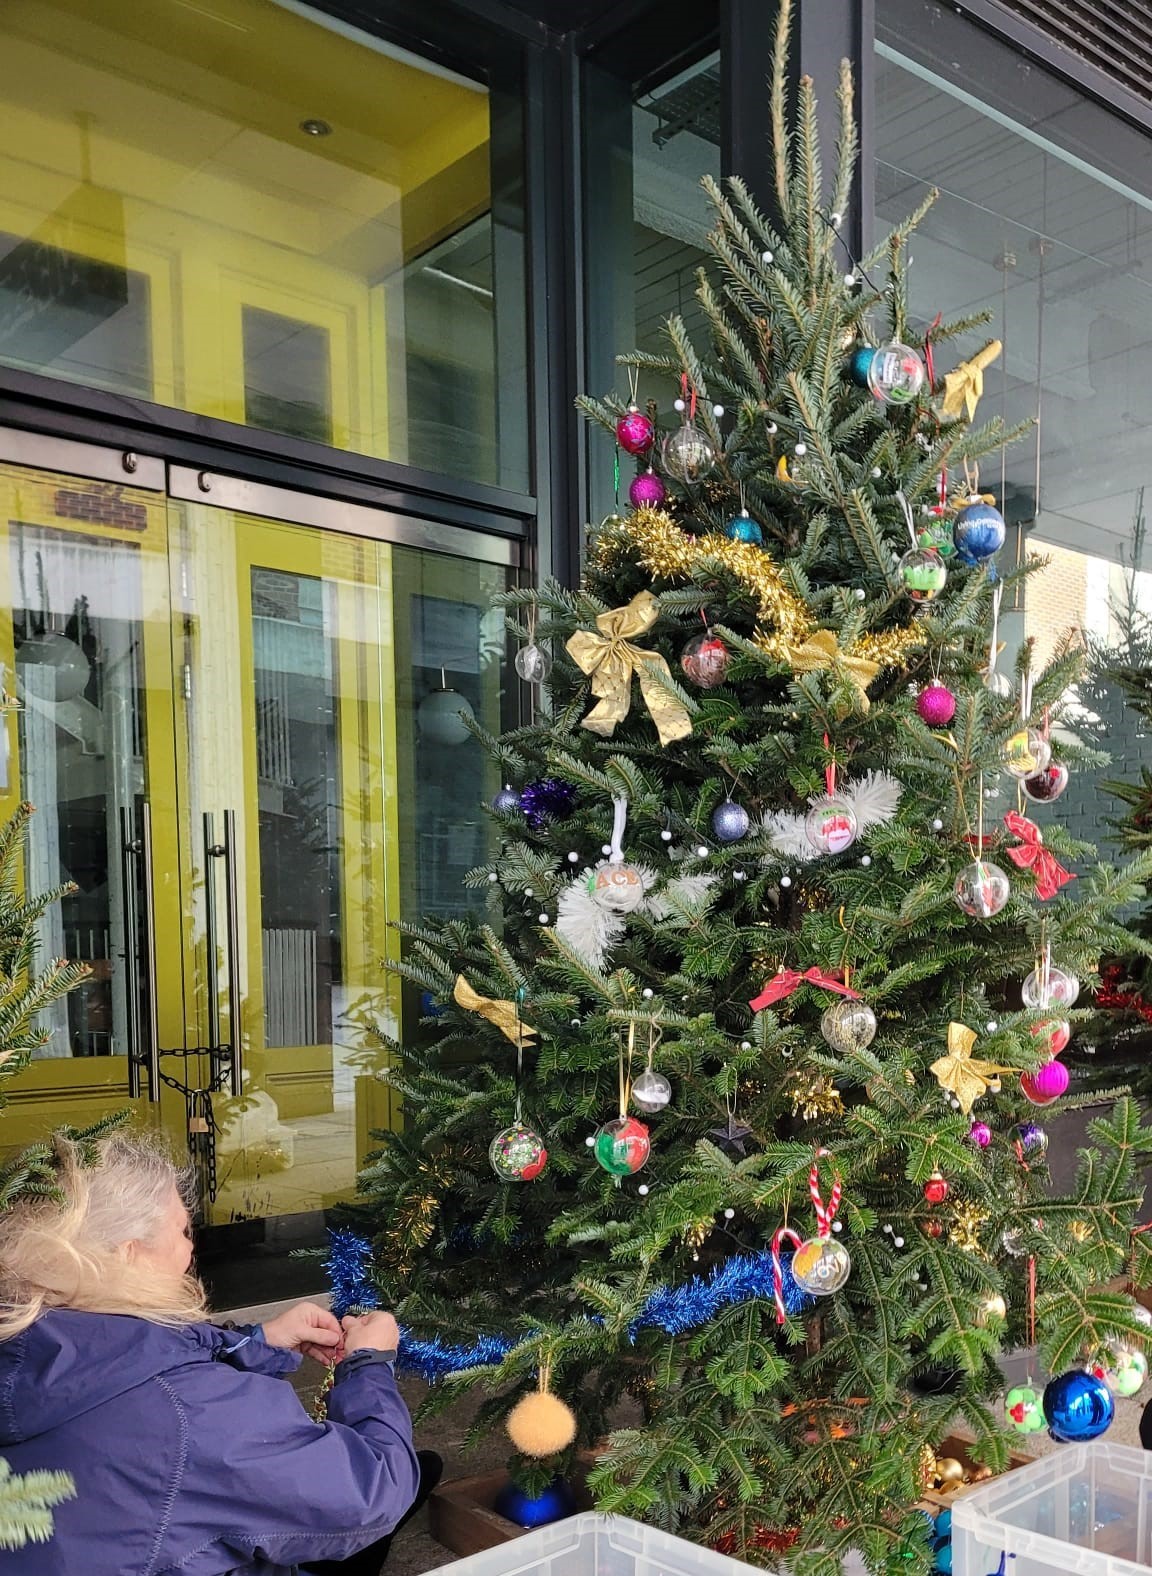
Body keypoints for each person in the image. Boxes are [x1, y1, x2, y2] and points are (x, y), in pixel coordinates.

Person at [0, 1130, 442, 1575]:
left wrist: (260, 1342)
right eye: (182, 1229)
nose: (192, 1247)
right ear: (127, 1254)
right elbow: (369, 1495)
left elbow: (132, 1361)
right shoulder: (189, 1417)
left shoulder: (25, 1336)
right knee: (396, 1480)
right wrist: (369, 1364)